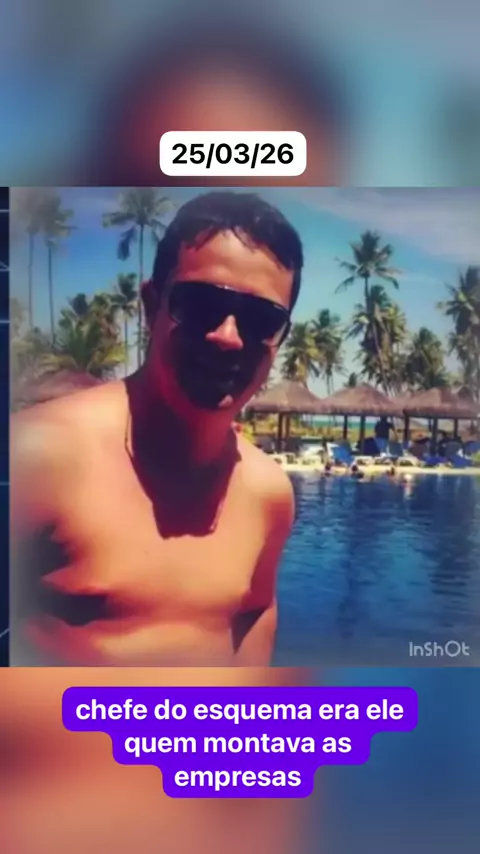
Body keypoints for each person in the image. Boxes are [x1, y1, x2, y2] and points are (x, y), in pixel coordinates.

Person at [11, 191, 303, 667]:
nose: (228, 337)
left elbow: (255, 611)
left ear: (280, 337)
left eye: (260, 320)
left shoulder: (268, 492)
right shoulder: (38, 459)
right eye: (201, 304)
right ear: (151, 305)